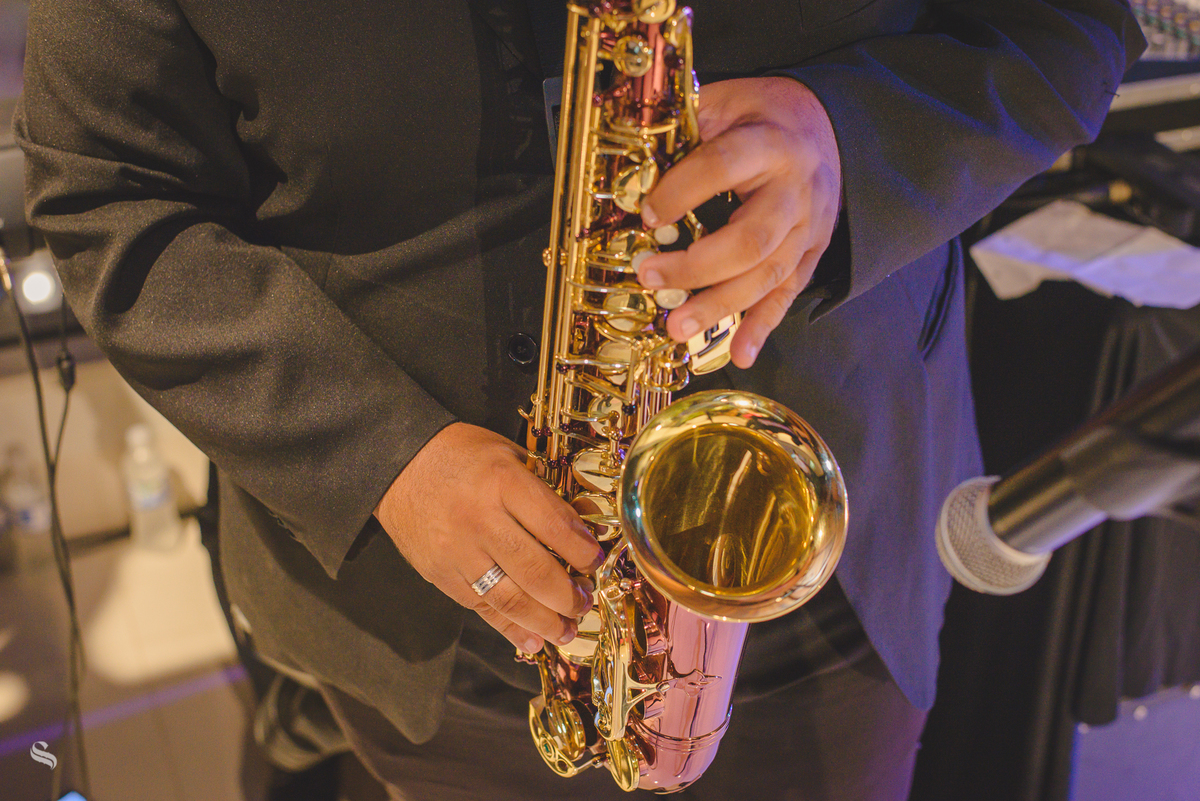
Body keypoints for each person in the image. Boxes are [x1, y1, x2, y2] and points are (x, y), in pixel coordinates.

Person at [16, 1, 1143, 799]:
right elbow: (106, 192)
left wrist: (853, 145)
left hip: (836, 564)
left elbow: (1073, 25)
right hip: (428, 635)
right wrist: (379, 455)